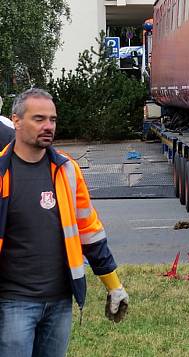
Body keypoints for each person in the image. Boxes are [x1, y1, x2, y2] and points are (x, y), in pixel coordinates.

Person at [0, 88, 129, 357]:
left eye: (53, 120)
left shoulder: (67, 170)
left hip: (60, 301)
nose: (48, 126)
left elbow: (89, 232)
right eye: (39, 119)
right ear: (16, 121)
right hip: (13, 303)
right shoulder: (2, 172)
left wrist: (114, 286)